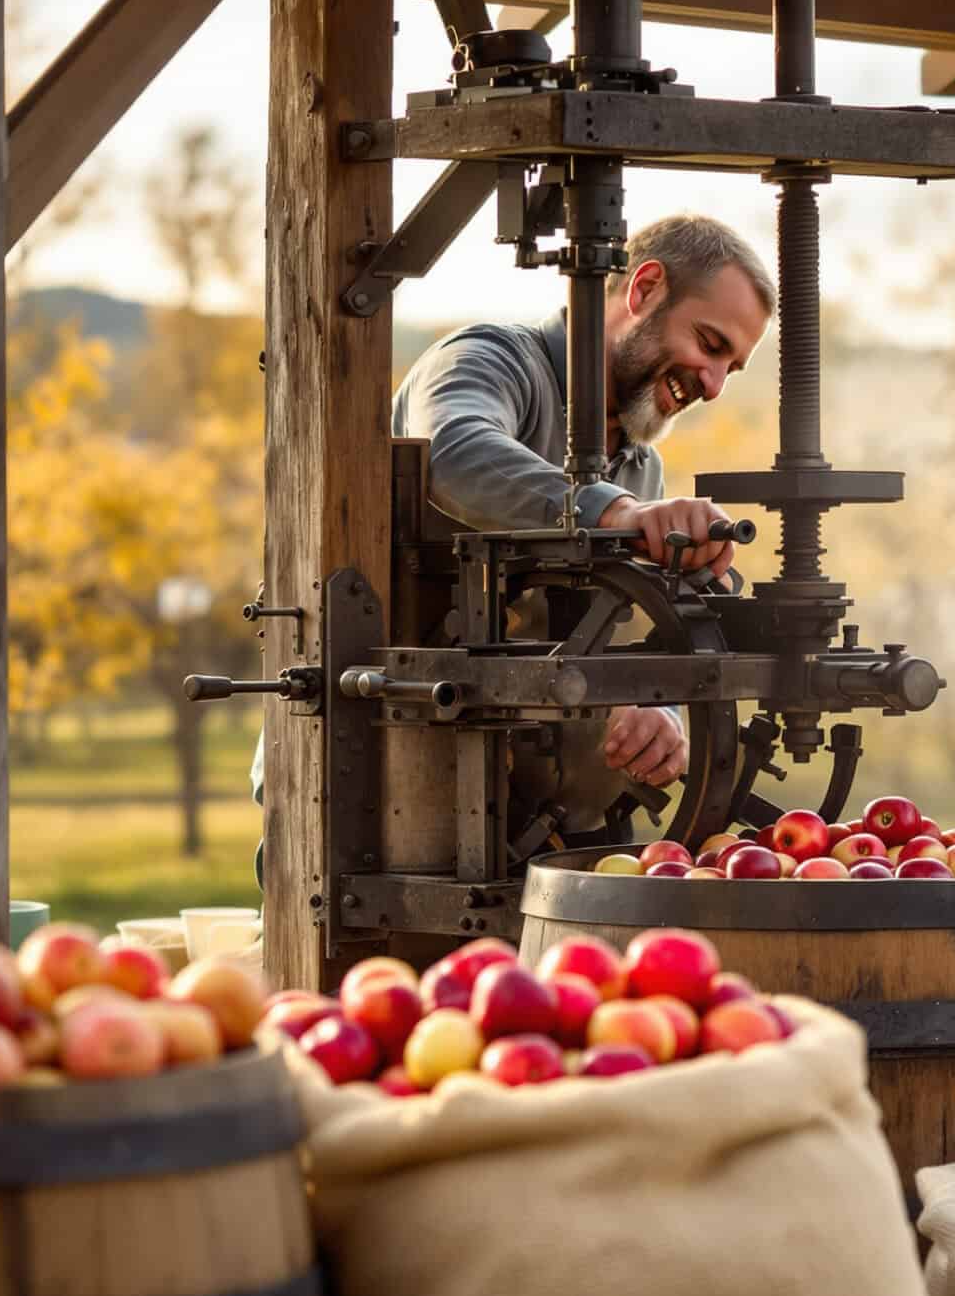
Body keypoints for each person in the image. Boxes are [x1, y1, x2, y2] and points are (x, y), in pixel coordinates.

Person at [251, 213, 774, 834]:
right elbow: (453, 452)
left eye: (730, 369)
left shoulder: (641, 468)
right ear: (644, 288)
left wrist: (663, 715)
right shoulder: (487, 360)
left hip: (536, 824)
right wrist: (618, 516)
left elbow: (625, 637)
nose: (712, 386)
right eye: (710, 345)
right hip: (381, 806)